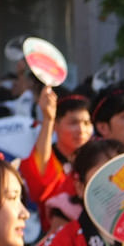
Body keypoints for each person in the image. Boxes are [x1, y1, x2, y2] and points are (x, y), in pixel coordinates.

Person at [20, 89, 96, 227]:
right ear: (55, 126)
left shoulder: (97, 157)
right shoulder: (50, 158)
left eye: (86, 123)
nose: (81, 129)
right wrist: (48, 118)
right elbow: (39, 171)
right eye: (73, 123)